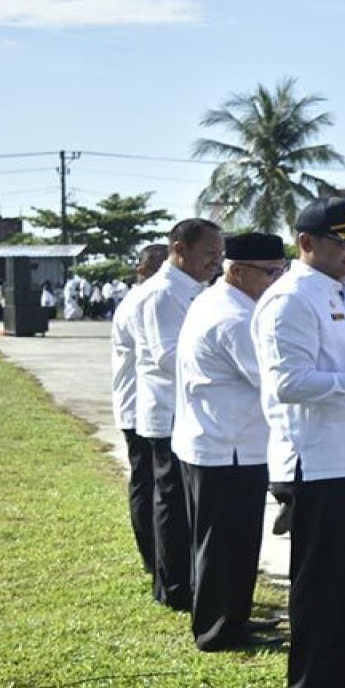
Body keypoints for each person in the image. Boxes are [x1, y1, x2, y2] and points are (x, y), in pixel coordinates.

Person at [253, 197, 345, 688]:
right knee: (323, 590)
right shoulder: (291, 297)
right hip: (321, 465)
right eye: (344, 243)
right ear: (306, 243)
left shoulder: (344, 292)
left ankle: (342, 681)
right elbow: (289, 382)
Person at [173, 232, 287, 652]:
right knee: (222, 545)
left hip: (223, 443)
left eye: (282, 270)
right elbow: (272, 380)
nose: (278, 280)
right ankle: (217, 630)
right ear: (237, 271)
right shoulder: (234, 317)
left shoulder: (225, 302)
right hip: (227, 448)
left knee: (236, 544)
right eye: (271, 272)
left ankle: (234, 619)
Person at [132, 218, 223, 611]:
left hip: (188, 409)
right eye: (208, 254)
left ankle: (185, 579)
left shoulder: (197, 289)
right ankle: (173, 587)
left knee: (185, 505)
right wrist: (217, 363)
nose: (215, 262)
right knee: (170, 502)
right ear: (179, 249)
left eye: (219, 255)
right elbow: (164, 355)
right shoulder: (164, 293)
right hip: (168, 410)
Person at [110, 243, 170, 576]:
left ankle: (161, 559)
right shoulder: (144, 301)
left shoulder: (153, 298)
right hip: (139, 406)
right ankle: (154, 558)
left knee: (153, 485)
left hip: (146, 405)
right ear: (142, 271)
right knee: (147, 485)